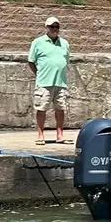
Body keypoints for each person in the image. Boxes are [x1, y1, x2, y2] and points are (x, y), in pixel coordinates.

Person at [28, 16, 70, 145]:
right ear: (46, 27)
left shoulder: (65, 43)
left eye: (57, 27)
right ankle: (41, 135)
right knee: (42, 109)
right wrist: (39, 74)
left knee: (60, 109)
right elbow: (31, 61)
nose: (55, 29)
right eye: (52, 27)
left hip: (60, 82)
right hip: (44, 82)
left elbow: (66, 61)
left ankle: (60, 135)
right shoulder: (38, 42)